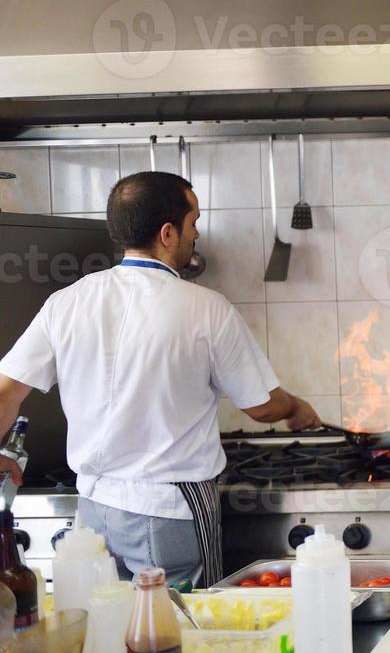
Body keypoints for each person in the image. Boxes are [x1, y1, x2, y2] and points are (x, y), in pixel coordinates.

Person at [0, 171, 320, 585]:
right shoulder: (206, 308)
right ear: (168, 233)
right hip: (168, 509)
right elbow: (260, 405)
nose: (197, 234)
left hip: (93, 510)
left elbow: (7, 390)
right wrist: (295, 407)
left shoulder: (67, 301)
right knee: (178, 634)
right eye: (194, 223)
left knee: (112, 635)